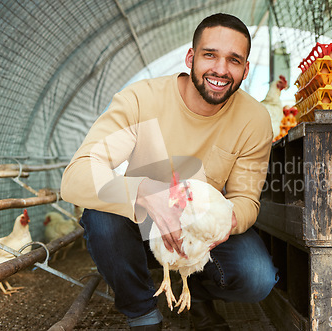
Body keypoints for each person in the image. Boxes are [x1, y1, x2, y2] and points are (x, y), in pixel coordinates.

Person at [61, 13, 278, 330]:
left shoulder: (254, 119)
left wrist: (222, 221)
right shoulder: (140, 100)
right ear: (190, 57)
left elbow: (246, 199)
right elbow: (76, 175)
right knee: (100, 217)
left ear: (245, 69)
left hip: (201, 233)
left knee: (257, 277)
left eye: (234, 60)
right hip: (142, 225)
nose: (220, 69)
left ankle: (198, 295)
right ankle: (143, 313)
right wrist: (144, 192)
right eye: (209, 55)